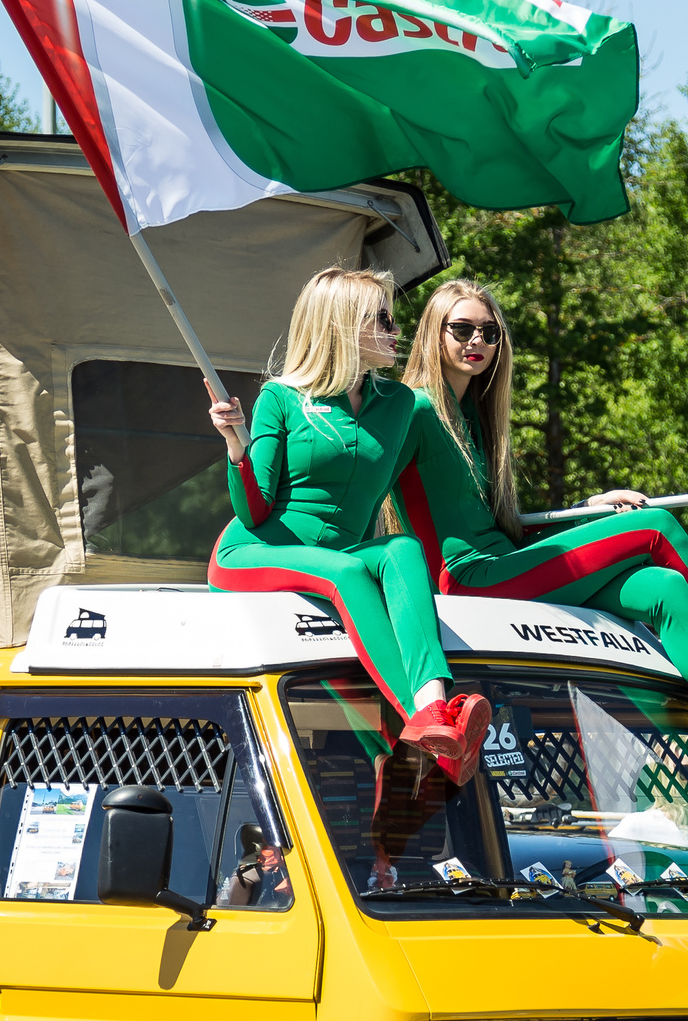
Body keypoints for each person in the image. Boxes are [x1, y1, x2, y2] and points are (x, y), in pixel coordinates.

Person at [387, 279, 688, 733]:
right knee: (655, 526)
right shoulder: (415, 408)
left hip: (509, 564)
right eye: (462, 329)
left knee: (664, 588)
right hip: (470, 580)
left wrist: (587, 507)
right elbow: (365, 484)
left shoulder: (474, 417)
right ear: (433, 332)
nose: (477, 341)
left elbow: (503, 525)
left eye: (489, 332)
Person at [206, 266, 484, 771]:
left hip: (341, 555)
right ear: (342, 325)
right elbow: (254, 509)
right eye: (382, 319)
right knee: (350, 571)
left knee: (402, 548)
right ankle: (426, 723)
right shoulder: (281, 397)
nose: (396, 331)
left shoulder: (400, 404)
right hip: (253, 551)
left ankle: (433, 707)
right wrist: (235, 446)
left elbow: (411, 493)